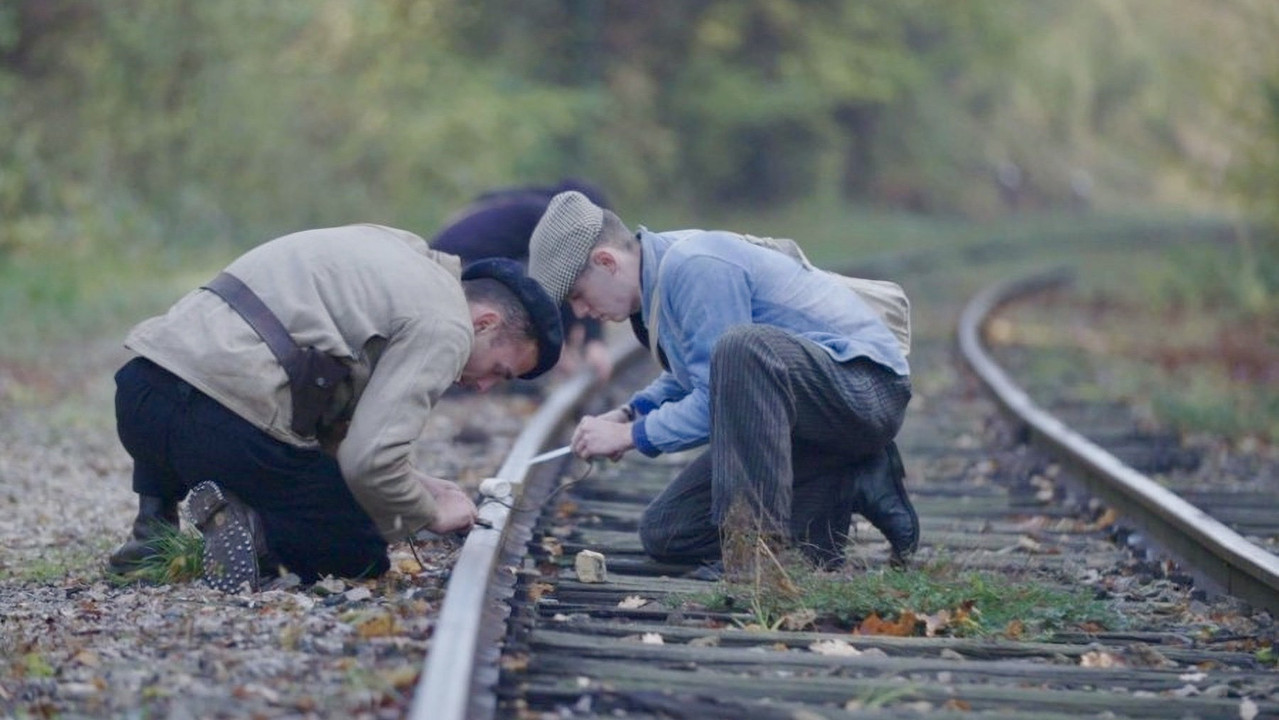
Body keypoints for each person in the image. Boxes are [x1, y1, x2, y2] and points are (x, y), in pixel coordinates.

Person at [107, 224, 563, 592]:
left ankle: (152, 532)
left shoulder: (395, 252)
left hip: (141, 391)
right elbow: (368, 463)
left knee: (212, 414)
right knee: (356, 551)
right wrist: (427, 511)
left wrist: (420, 482)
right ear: (485, 323)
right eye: (499, 371)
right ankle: (252, 527)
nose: (483, 387)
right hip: (219, 422)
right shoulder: (446, 325)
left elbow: (334, 422)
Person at [526, 191, 918, 575]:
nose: (580, 312)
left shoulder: (695, 266)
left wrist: (630, 435)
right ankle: (850, 478)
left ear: (607, 261)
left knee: (741, 349)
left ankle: (758, 557)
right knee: (667, 531)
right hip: (803, 414)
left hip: (866, 390)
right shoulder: (661, 278)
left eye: (577, 296)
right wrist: (632, 412)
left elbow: (717, 393)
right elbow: (698, 372)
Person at [431, 179, 614, 382]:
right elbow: (572, 275)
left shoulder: (517, 203)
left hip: (447, 266)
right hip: (459, 272)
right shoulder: (549, 216)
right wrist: (590, 341)